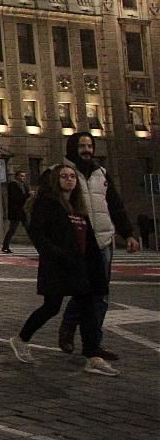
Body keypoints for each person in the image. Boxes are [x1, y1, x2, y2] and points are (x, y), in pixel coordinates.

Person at [9, 164, 114, 375]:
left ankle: (92, 356)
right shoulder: (46, 204)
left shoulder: (78, 205)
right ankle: (21, 339)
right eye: (64, 176)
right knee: (51, 307)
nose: (69, 180)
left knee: (87, 309)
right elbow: (39, 236)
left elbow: (88, 238)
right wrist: (58, 255)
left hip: (79, 265)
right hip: (57, 265)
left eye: (72, 176)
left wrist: (93, 264)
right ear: (56, 181)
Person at [57, 132, 138, 359]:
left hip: (103, 241)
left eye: (89, 145)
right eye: (82, 145)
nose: (86, 150)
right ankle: (69, 328)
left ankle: (93, 344)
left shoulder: (101, 173)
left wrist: (128, 234)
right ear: (73, 148)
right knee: (83, 290)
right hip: (79, 242)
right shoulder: (63, 173)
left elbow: (115, 205)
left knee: (100, 294)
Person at [2, 170, 30, 253]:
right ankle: (5, 246)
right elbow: (16, 198)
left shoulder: (24, 186)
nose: (23, 178)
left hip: (23, 210)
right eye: (21, 176)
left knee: (29, 228)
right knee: (12, 229)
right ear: (17, 176)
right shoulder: (12, 185)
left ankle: (38, 245)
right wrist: (27, 195)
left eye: (24, 176)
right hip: (15, 211)